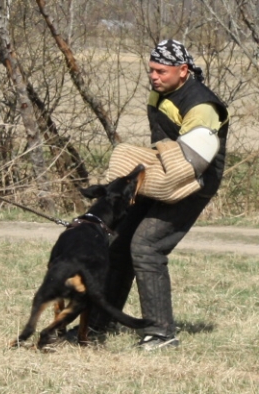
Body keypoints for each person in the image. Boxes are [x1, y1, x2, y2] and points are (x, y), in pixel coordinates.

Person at [69, 39, 229, 350]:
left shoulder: (203, 106)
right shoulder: (160, 92)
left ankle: (161, 334)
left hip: (192, 182)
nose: (153, 77)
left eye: (161, 71)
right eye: (151, 70)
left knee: (147, 246)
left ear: (183, 71)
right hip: (162, 175)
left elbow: (191, 161)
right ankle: (98, 325)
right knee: (118, 246)